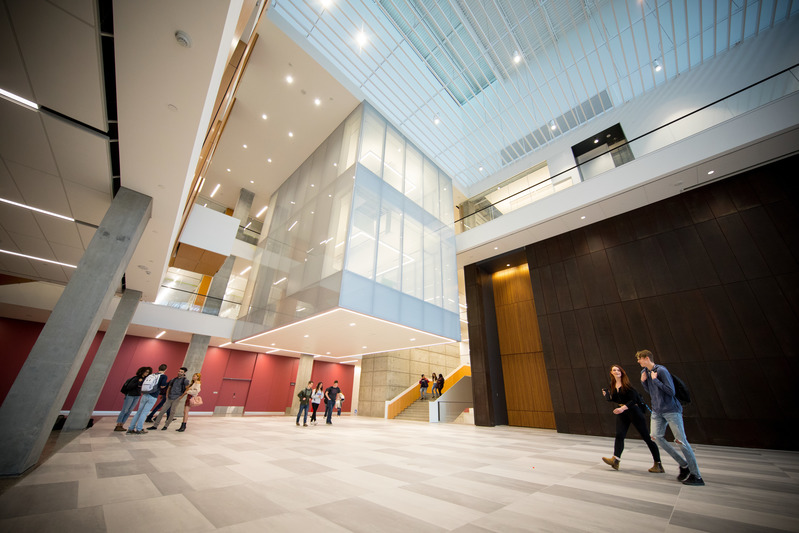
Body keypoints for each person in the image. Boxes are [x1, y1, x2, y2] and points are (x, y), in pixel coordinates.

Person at [637, 349, 704, 486]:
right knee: (656, 437)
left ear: (646, 358)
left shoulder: (661, 371)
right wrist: (644, 382)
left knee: (681, 441)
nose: (638, 361)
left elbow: (670, 391)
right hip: (657, 411)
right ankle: (683, 465)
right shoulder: (645, 373)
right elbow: (651, 392)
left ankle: (696, 475)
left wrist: (656, 380)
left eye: (639, 359)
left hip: (671, 410)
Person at [600, 364, 663, 473]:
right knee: (619, 435)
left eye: (618, 370)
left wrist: (623, 408)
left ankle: (658, 464)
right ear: (611, 373)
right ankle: (616, 460)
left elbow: (634, 400)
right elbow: (614, 399)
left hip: (634, 411)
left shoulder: (627, 385)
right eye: (614, 370)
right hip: (622, 412)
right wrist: (606, 395)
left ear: (622, 372)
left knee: (646, 437)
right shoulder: (612, 385)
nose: (616, 371)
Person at [127, 364, 166, 434]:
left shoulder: (152, 375)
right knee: (144, 413)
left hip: (145, 394)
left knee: (139, 412)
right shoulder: (163, 376)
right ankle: (139, 429)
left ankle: (131, 428)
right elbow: (162, 386)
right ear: (166, 369)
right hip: (153, 396)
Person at [114, 366, 151, 432]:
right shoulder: (136, 378)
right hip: (130, 395)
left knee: (129, 411)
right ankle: (118, 425)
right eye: (146, 372)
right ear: (142, 371)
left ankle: (122, 425)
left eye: (148, 372)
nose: (146, 373)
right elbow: (129, 386)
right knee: (125, 410)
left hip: (137, 396)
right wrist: (138, 383)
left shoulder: (144, 380)